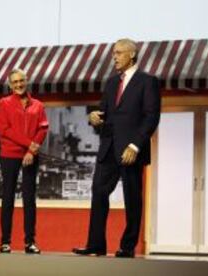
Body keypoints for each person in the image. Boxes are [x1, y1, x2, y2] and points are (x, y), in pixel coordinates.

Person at [72, 38, 161, 258]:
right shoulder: (111, 83)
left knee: (132, 198)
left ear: (131, 54)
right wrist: (93, 117)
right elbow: (104, 113)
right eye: (113, 53)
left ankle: (127, 247)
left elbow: (151, 117)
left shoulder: (147, 81)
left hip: (130, 150)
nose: (114, 57)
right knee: (99, 193)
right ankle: (95, 245)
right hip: (108, 147)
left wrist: (135, 145)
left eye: (119, 53)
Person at [0, 69, 49, 254]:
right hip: (10, 154)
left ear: (27, 81)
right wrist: (30, 145)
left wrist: (31, 151)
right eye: (15, 82)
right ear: (10, 85)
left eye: (21, 81)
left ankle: (30, 242)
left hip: (30, 156)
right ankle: (5, 242)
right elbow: (5, 130)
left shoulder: (38, 105)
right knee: (8, 197)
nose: (19, 84)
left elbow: (43, 129)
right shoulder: (4, 103)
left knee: (29, 199)